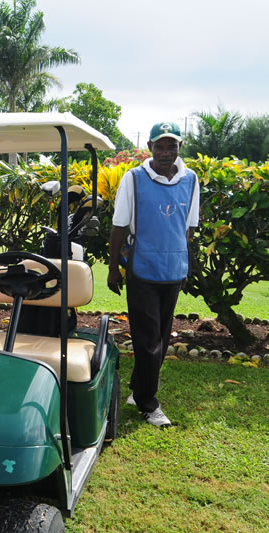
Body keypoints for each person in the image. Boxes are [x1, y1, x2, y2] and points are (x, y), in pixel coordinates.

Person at [107, 121, 200, 428]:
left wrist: (184, 264)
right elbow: (119, 226)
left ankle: (139, 390)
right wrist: (113, 269)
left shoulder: (190, 179)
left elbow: (186, 229)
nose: (164, 152)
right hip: (142, 269)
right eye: (159, 146)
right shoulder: (133, 179)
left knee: (160, 337)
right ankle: (149, 404)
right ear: (149, 148)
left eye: (170, 146)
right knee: (148, 341)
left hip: (173, 271)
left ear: (179, 148)